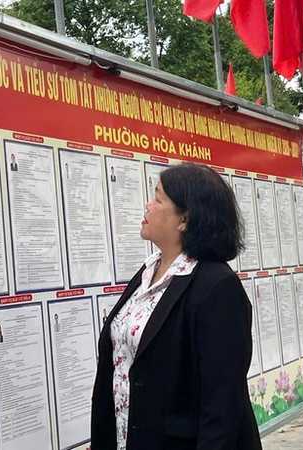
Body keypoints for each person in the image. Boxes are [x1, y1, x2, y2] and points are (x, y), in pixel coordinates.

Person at [91, 163, 261, 449]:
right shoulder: (147, 272)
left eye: (157, 199)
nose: (147, 205)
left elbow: (222, 402)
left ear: (184, 219)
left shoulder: (217, 286)